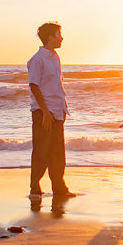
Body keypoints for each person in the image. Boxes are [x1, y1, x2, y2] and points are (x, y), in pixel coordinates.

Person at [27, 21, 76, 201]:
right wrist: (45, 111)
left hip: (58, 110)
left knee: (57, 152)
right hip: (43, 112)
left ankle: (59, 187)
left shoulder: (55, 57)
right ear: (50, 37)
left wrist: (61, 109)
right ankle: (34, 187)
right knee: (41, 150)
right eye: (59, 35)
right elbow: (34, 85)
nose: (61, 38)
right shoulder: (37, 60)